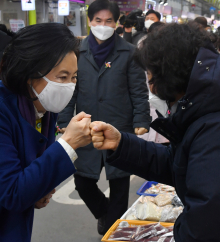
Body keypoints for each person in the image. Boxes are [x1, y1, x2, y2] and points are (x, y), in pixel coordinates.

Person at [90, 23, 220, 241]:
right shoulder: (212, 106)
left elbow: (206, 226)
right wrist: (122, 144)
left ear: (167, 73)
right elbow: (184, 164)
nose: (149, 86)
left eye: (149, 74)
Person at [0, 23, 92, 242]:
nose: (69, 86)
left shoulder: (42, 103)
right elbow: (13, 191)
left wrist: (38, 191)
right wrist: (68, 144)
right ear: (29, 72)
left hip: (15, 224)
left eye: (74, 77)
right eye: (62, 77)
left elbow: (31, 171)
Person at [57, 0, 151, 235]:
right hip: (85, 128)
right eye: (98, 20)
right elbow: (71, 90)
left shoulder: (129, 52)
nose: (103, 25)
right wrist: (63, 120)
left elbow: (138, 90)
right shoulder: (78, 51)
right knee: (83, 182)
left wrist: (141, 120)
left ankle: (113, 231)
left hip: (119, 127)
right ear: (89, 21)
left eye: (109, 20)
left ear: (116, 22)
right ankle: (105, 214)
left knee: (119, 184)